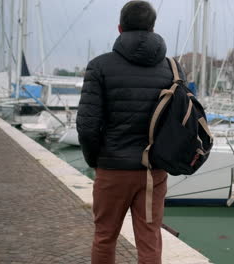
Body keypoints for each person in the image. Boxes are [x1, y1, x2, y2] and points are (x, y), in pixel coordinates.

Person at [76, 1, 184, 263]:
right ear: (152, 27)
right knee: (149, 240)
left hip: (112, 168)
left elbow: (87, 125)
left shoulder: (99, 66)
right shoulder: (173, 68)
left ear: (120, 27)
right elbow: (179, 120)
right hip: (153, 171)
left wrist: (96, 161)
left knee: (104, 237)